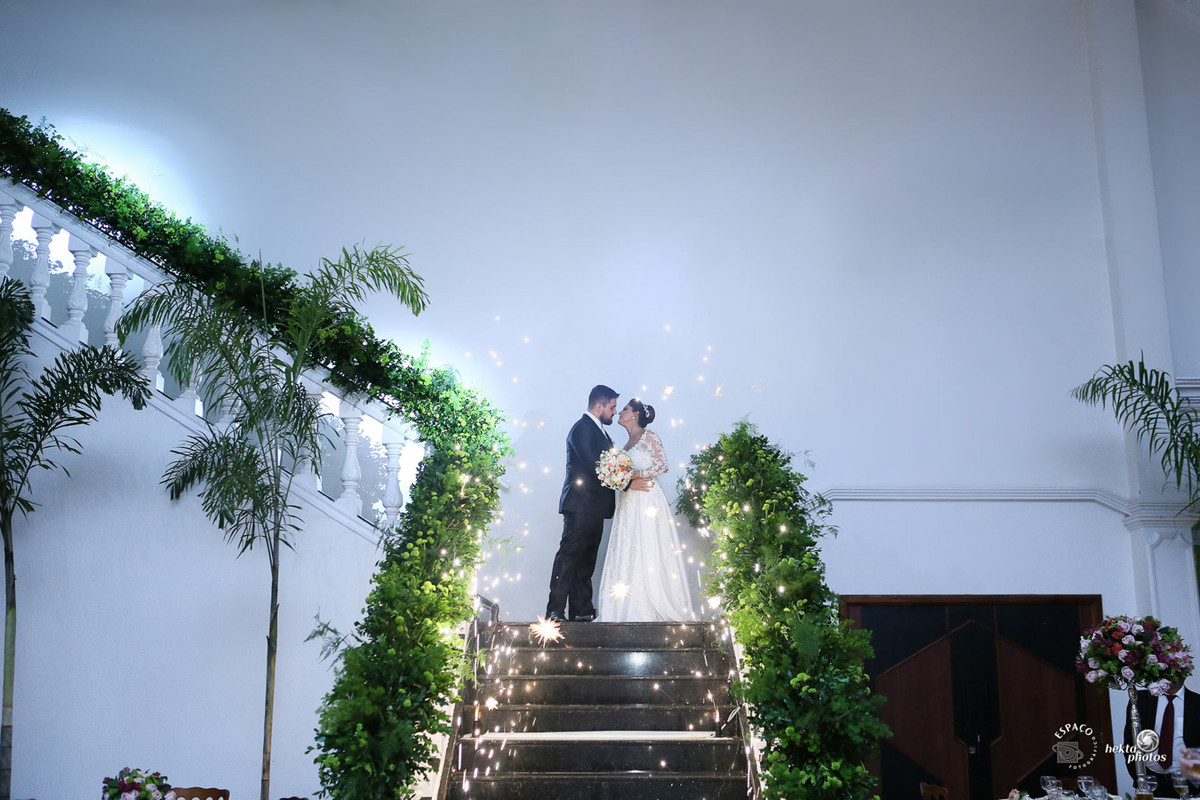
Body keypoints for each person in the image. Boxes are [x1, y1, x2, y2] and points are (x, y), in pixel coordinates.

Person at [545, 385, 652, 622]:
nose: (614, 412)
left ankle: (582, 610)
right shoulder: (581, 429)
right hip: (580, 504)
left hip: (594, 508)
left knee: (586, 560)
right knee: (570, 556)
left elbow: (607, 465)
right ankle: (554, 610)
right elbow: (596, 465)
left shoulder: (601, 432)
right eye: (612, 407)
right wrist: (626, 484)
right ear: (599, 405)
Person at [596, 398, 697, 622]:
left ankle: (652, 603)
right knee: (629, 545)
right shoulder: (625, 446)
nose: (619, 412)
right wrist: (617, 477)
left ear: (635, 415)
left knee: (647, 544)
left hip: (647, 500)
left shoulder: (649, 437)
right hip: (628, 502)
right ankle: (626, 605)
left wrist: (633, 474)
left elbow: (662, 465)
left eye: (624, 409)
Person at [1123, 679, 1200, 777]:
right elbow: (1130, 740)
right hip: (1150, 778)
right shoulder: (1141, 699)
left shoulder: (1197, 702)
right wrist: (1137, 776)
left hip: (1188, 778)